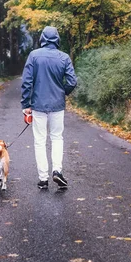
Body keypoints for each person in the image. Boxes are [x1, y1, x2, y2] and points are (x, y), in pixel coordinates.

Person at [21, 26, 77, 190]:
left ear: (42, 38)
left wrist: (26, 104)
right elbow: (72, 82)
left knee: (39, 141)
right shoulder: (64, 57)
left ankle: (43, 179)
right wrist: (62, 92)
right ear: (57, 39)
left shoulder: (34, 56)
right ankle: (57, 170)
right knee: (57, 138)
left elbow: (26, 82)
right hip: (57, 105)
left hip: (38, 105)